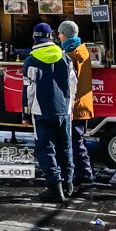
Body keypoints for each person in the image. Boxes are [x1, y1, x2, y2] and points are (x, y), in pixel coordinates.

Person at [23, 22, 77, 203]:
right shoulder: (64, 57)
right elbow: (73, 83)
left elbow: (29, 89)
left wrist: (25, 113)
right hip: (64, 110)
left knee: (45, 148)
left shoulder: (31, 60)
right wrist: (70, 105)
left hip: (41, 111)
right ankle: (68, 184)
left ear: (34, 37)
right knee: (65, 146)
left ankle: (54, 187)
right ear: (51, 37)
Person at [59, 20, 95, 187]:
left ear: (66, 34)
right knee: (77, 139)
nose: (58, 36)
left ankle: (85, 173)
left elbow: (69, 83)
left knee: (75, 140)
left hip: (76, 105)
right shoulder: (81, 50)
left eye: (60, 33)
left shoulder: (73, 56)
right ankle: (84, 171)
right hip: (82, 104)